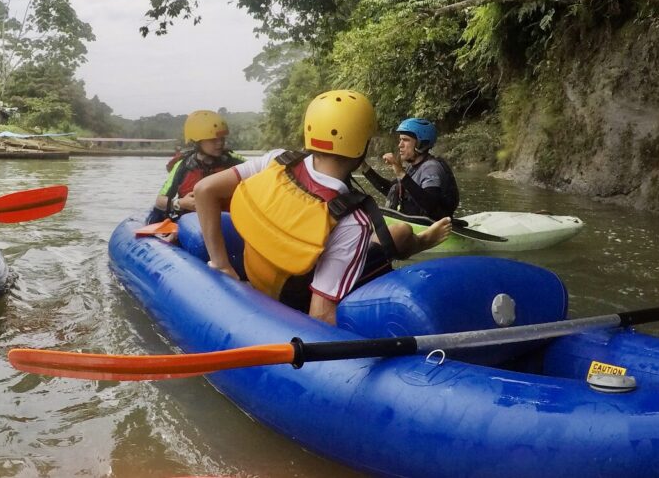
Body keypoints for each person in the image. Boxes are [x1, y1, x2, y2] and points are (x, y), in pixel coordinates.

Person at [194, 90, 451, 325]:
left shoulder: (277, 160)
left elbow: (204, 190)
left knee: (393, 234)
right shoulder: (353, 220)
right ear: (362, 146)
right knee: (400, 233)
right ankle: (420, 242)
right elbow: (320, 314)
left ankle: (419, 240)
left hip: (258, 278)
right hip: (293, 300)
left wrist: (221, 264)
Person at [146, 110, 245, 224]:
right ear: (197, 141)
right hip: (191, 223)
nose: (220, 143)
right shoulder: (183, 165)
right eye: (213, 139)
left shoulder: (236, 162)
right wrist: (181, 203)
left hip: (228, 222)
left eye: (222, 138)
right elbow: (160, 201)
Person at [361, 118, 460, 221]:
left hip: (433, 229)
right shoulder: (413, 167)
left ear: (420, 143)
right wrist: (364, 167)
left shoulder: (431, 168)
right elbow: (391, 190)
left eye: (406, 140)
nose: (400, 145)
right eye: (400, 140)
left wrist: (400, 173)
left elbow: (430, 206)